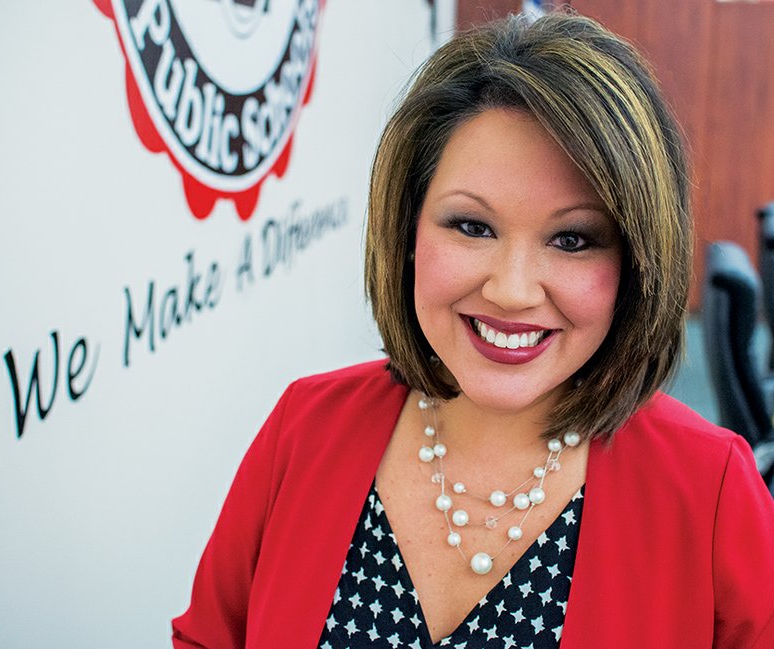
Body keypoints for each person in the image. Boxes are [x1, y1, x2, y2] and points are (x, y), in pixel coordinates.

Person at [172, 11, 774, 649]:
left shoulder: (710, 493)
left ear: (634, 263)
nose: (511, 291)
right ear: (406, 231)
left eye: (572, 240)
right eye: (471, 226)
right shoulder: (305, 427)